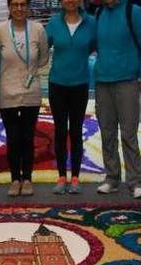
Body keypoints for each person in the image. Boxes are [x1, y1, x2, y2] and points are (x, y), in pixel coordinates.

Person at [93, 0, 141, 199]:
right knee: (107, 132)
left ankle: (135, 181)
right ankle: (112, 178)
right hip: (103, 81)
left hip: (127, 81)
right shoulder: (100, 13)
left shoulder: (132, 11)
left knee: (129, 133)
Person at [0, 0, 49, 197]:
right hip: (6, 90)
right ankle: (15, 179)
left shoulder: (38, 29)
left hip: (30, 91)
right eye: (14, 4)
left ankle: (27, 179)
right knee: (12, 137)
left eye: (22, 4)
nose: (19, 9)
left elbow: (43, 58)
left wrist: (30, 72)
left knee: (27, 137)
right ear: (8, 7)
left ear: (28, 7)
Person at [46, 0, 95, 195]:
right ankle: (61, 176)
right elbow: (42, 48)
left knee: (75, 131)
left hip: (80, 84)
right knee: (59, 131)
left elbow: (94, 46)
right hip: (57, 83)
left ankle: (75, 176)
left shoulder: (91, 23)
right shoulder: (53, 24)